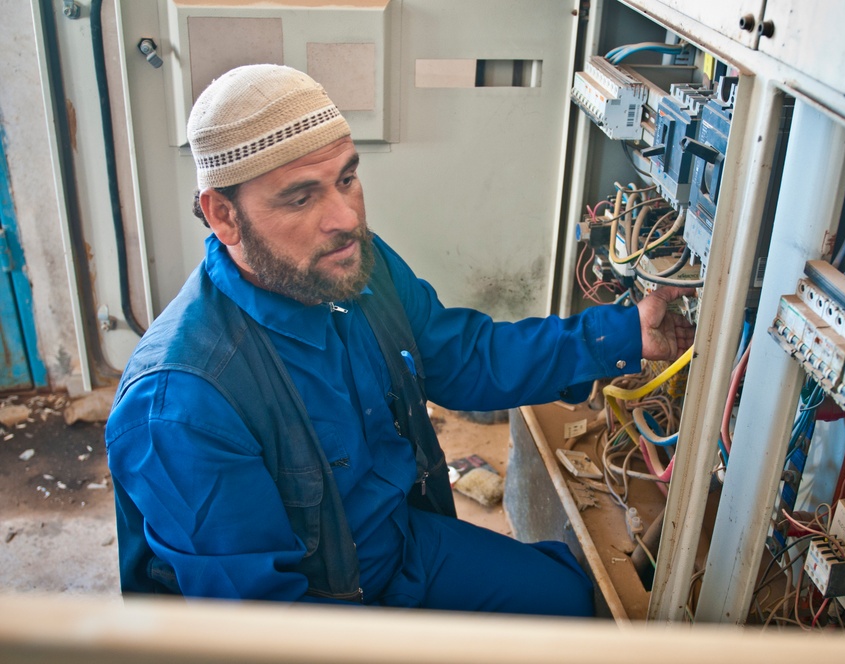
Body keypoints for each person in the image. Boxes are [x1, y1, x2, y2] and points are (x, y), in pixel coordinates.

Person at [105, 64, 694, 616]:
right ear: (223, 217)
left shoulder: (350, 267)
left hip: (398, 546)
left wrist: (620, 333)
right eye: (302, 196)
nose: (345, 218)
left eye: (348, 179)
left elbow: (463, 358)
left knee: (563, 602)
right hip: (317, 607)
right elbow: (264, 626)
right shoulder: (179, 406)